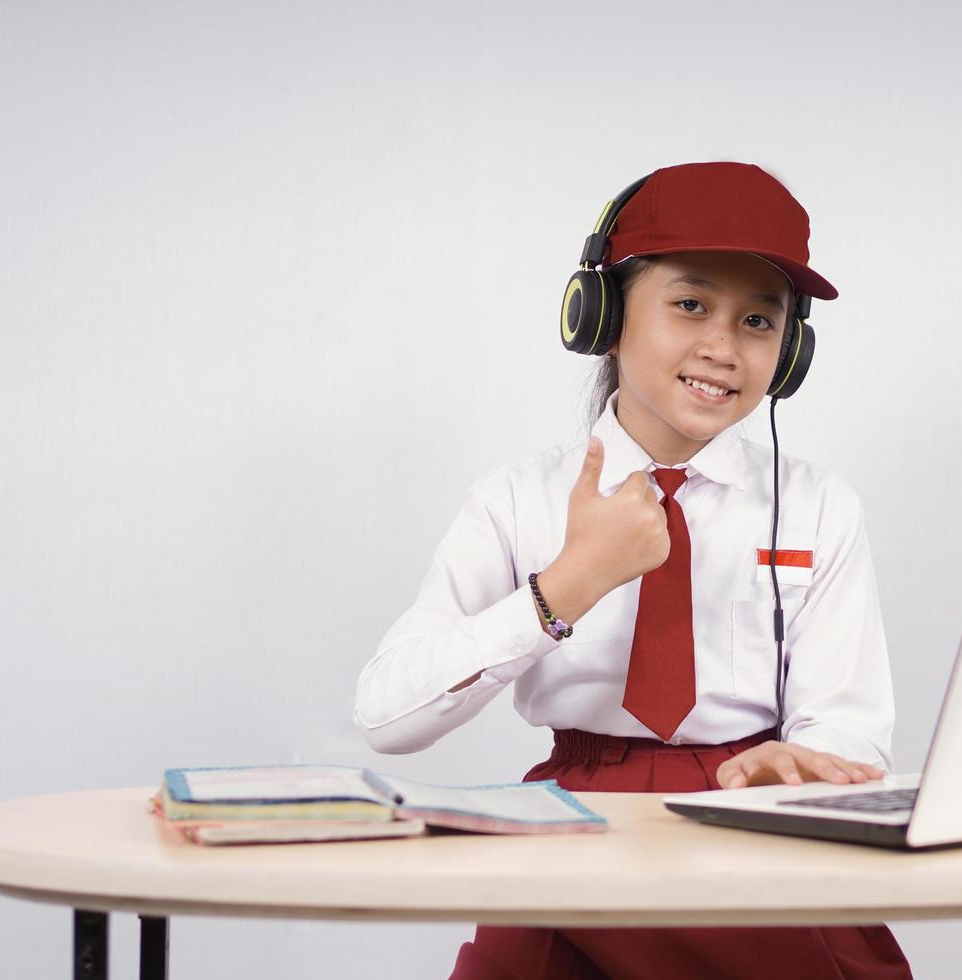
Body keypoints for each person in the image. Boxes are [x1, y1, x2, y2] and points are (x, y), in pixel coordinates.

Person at [353, 161, 911, 979]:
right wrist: (565, 587)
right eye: (690, 304)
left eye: (759, 321)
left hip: (752, 821)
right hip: (574, 824)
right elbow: (387, 716)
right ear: (603, 313)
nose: (722, 347)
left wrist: (799, 767)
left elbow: (851, 721)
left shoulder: (821, 506)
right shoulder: (515, 499)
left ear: (788, 352)